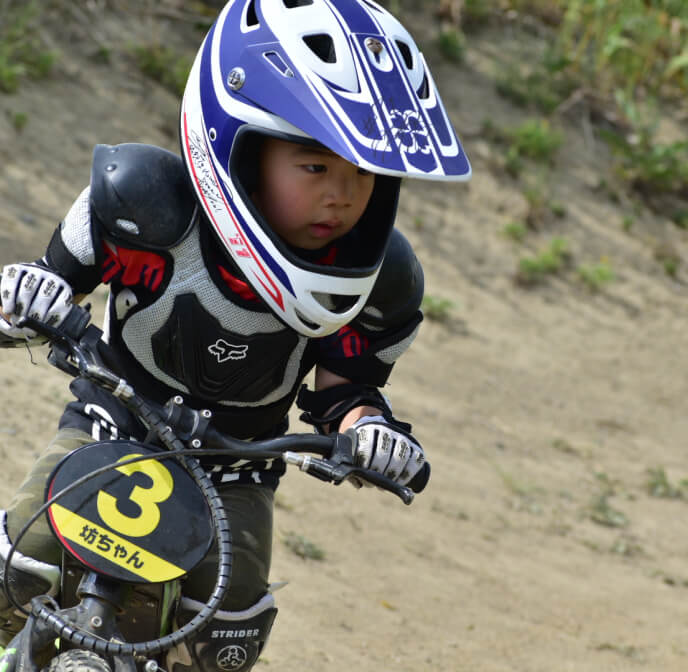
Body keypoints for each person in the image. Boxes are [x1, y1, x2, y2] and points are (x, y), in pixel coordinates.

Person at [0, 0, 471, 669]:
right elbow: (48, 284)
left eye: (362, 172)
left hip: (236, 472)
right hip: (109, 429)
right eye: (315, 167)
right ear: (235, 145)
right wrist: (30, 290)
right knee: (21, 564)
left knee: (222, 639)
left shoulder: (377, 282)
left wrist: (373, 432)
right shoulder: (142, 205)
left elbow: (346, 393)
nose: (342, 195)